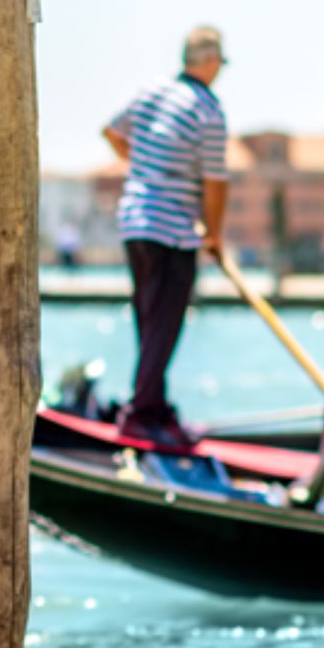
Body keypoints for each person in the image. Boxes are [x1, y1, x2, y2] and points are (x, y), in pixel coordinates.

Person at [101, 25, 230, 450]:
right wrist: (213, 236)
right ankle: (139, 415)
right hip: (172, 231)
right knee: (165, 324)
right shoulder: (208, 111)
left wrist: (144, 168)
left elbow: (112, 132)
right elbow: (215, 183)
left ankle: (154, 406)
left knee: (149, 319)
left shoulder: (152, 91)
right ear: (210, 63)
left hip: (135, 223)